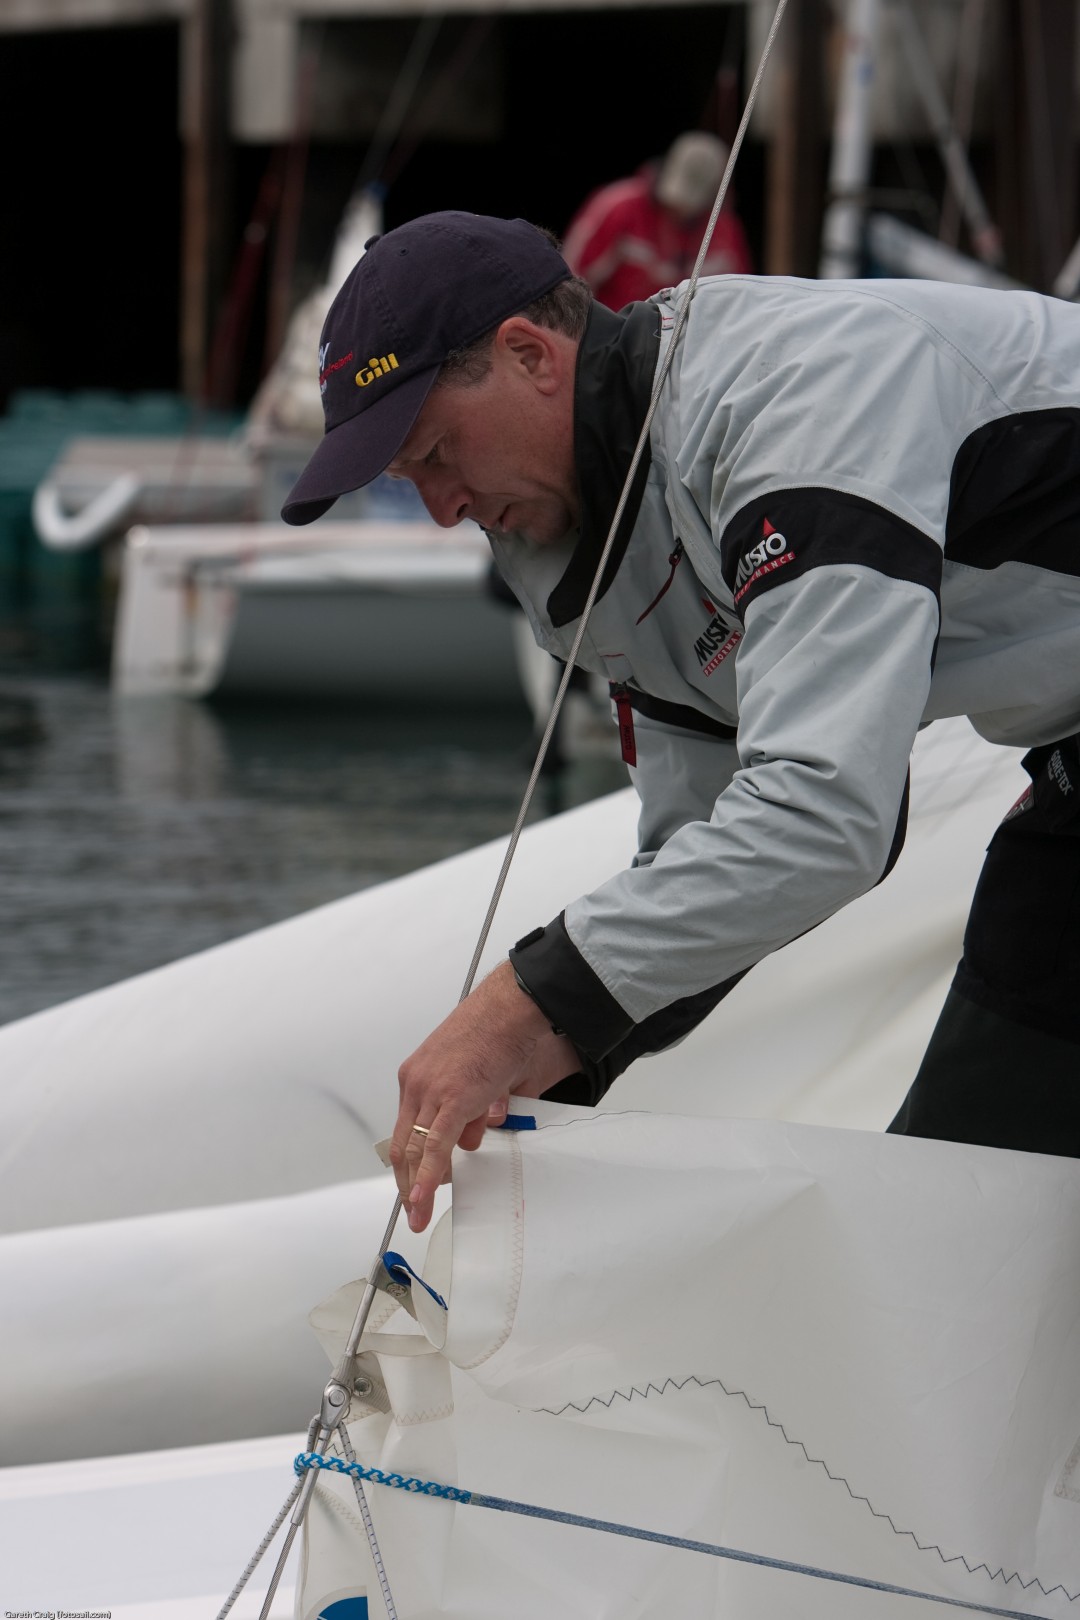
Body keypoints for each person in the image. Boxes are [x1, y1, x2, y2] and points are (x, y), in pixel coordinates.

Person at [282, 210, 1080, 1233]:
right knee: (960, 1209)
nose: (442, 509)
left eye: (436, 453)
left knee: (965, 1214)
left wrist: (519, 1005)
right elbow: (712, 847)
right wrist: (552, 1061)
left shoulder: (789, 403)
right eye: (411, 482)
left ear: (530, 355)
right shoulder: (593, 536)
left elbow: (825, 813)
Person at [560, 130, 753, 310]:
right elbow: (570, 278)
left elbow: (740, 300)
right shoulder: (617, 207)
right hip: (614, 329)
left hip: (692, 334)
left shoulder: (726, 230)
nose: (680, 210)